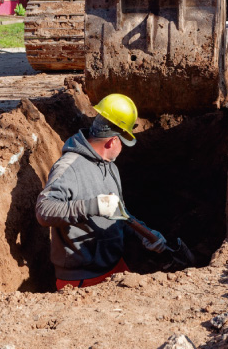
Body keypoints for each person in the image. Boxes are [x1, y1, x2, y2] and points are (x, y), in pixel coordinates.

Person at [35, 93, 168, 290]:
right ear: (112, 141)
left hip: (115, 266)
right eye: (123, 141)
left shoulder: (109, 166)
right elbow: (44, 211)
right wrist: (93, 206)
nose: (123, 147)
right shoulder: (68, 167)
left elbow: (118, 211)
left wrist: (145, 235)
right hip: (81, 279)